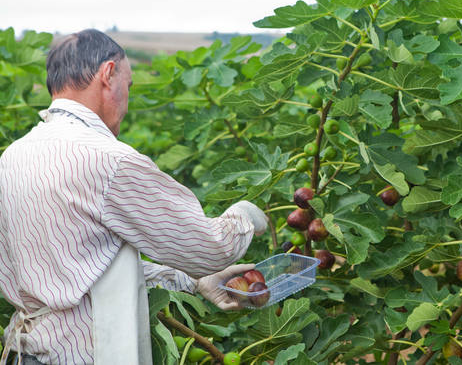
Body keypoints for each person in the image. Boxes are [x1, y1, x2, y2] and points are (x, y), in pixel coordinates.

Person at [0, 29, 269, 365]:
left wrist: (193, 284)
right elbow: (210, 248)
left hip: (24, 353)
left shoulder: (14, 155)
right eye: (127, 86)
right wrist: (245, 215)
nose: (126, 100)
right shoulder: (107, 159)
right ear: (108, 74)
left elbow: (87, 269)